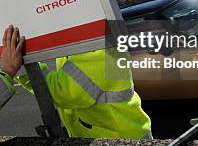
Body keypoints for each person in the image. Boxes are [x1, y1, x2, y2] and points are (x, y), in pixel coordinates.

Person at [17, 48, 151, 139]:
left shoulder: (99, 46)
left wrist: (19, 66)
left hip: (122, 142)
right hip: (105, 137)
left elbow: (61, 92)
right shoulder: (82, 43)